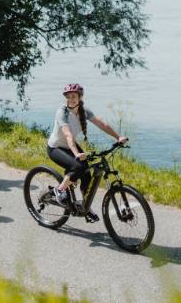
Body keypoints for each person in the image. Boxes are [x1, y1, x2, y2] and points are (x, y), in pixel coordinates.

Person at [47, 83, 127, 221]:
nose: (70, 99)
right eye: (68, 97)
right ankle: (58, 191)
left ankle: (85, 206)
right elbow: (68, 135)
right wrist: (77, 154)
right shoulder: (62, 112)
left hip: (70, 146)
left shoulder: (84, 111)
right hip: (56, 148)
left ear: (80, 97)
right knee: (77, 166)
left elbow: (102, 124)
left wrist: (118, 137)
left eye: (73, 96)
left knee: (86, 174)